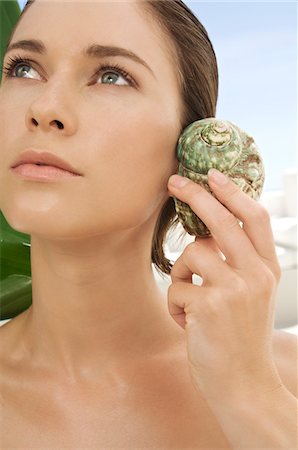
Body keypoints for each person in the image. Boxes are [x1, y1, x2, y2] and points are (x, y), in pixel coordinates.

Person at [0, 0, 297, 448]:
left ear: (189, 142)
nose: (44, 108)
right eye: (23, 68)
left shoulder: (283, 379)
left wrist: (250, 396)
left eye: (112, 75)